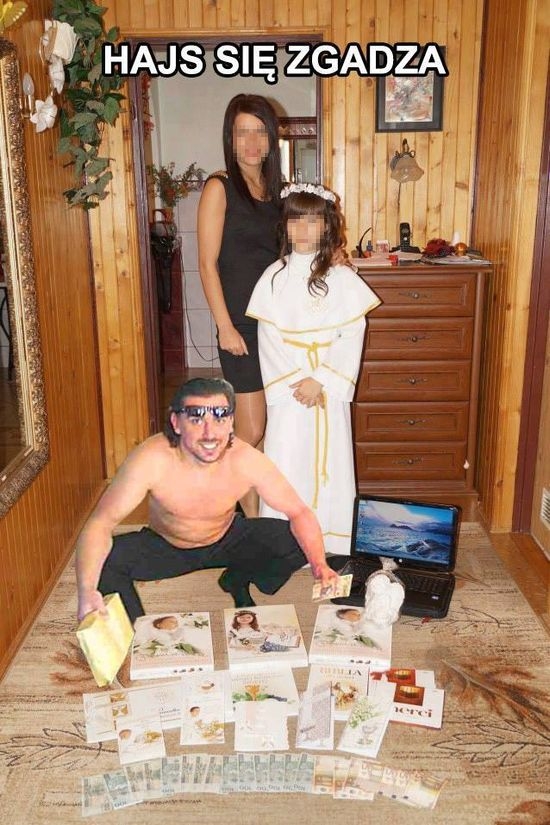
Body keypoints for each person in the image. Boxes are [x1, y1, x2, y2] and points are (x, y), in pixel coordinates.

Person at [75, 376, 337, 625]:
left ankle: (237, 578)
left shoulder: (245, 459)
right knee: (104, 561)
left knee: (296, 540)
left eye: (220, 418)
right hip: (169, 546)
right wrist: (86, 590)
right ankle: (136, 634)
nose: (210, 433)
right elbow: (100, 523)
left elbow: (299, 512)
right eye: (196, 419)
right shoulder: (152, 458)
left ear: (231, 422)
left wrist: (319, 565)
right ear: (176, 423)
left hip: (226, 538)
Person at [246, 183, 381, 555]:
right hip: (291, 393)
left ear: (326, 226)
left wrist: (321, 379)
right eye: (295, 221)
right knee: (287, 458)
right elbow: (268, 337)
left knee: (331, 462)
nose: (303, 230)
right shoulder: (273, 277)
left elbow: (353, 331)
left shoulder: (341, 277)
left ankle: (331, 540)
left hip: (326, 389)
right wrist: (298, 382)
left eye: (312, 221)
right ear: (284, 226)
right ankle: (284, 544)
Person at [197, 94, 283, 516]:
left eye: (259, 132)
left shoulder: (276, 192)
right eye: (242, 132)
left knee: (263, 432)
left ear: (270, 139)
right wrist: (224, 326)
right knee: (250, 428)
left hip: (274, 324)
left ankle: (253, 522)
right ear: (230, 139)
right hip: (240, 326)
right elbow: (206, 264)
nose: (251, 142)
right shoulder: (219, 187)